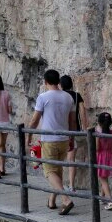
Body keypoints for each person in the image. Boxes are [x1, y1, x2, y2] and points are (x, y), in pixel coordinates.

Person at [27, 69, 77, 214]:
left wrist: (29, 135)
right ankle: (52, 201)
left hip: (49, 140)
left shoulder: (43, 97)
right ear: (58, 81)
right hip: (64, 139)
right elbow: (72, 121)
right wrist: (71, 138)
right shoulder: (68, 97)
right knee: (58, 170)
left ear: (45, 82)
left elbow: (35, 119)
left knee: (49, 171)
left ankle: (66, 199)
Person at [59, 74, 88, 193]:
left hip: (61, 130)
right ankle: (71, 186)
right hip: (74, 130)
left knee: (59, 158)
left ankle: (59, 185)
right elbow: (82, 113)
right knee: (71, 159)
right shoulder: (77, 96)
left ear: (60, 85)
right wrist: (85, 128)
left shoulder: (60, 96)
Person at [96, 112, 112, 210]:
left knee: (103, 179)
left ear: (99, 123)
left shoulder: (98, 134)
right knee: (104, 178)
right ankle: (102, 197)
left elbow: (97, 148)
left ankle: (110, 201)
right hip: (110, 156)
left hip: (101, 157)